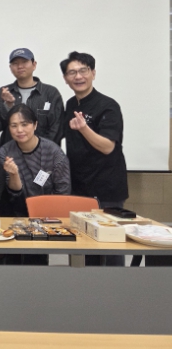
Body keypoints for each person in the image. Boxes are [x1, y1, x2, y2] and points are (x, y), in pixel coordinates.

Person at [60, 51, 128, 266]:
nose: (78, 76)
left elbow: (108, 147)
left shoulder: (108, 105)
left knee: (111, 245)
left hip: (107, 187)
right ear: (65, 78)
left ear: (93, 73)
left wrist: (84, 129)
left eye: (83, 70)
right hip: (80, 186)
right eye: (72, 72)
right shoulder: (71, 104)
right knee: (87, 244)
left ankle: (115, 287)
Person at [0, 104, 71, 217]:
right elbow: (13, 195)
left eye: (24, 124)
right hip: (17, 215)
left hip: (50, 213)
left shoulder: (53, 152)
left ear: (35, 125)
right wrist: (14, 174)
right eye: (14, 126)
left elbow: (63, 191)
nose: (19, 130)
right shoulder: (5, 153)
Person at [0, 48, 64, 146]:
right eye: (15, 63)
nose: (20, 66)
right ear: (10, 67)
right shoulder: (4, 92)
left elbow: (57, 128)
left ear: (34, 65)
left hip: (45, 153)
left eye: (24, 62)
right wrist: (8, 106)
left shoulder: (50, 93)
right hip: (11, 152)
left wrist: (42, 150)